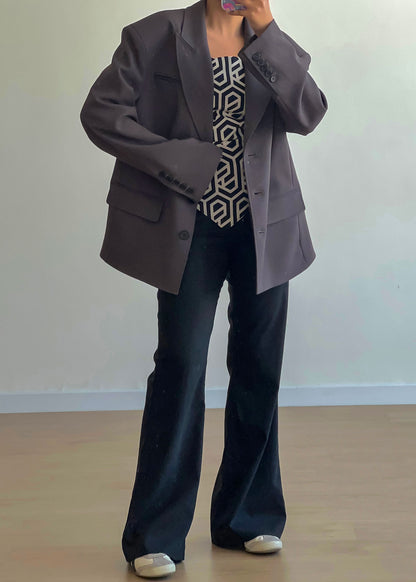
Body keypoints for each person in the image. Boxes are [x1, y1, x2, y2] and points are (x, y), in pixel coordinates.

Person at [80, 0, 328, 578]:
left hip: (265, 227)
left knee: (259, 366)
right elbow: (101, 112)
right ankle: (156, 534)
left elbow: (308, 113)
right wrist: (176, 159)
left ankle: (247, 517)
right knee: (181, 367)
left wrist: (268, 31)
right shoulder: (155, 35)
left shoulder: (268, 42)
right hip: (188, 229)